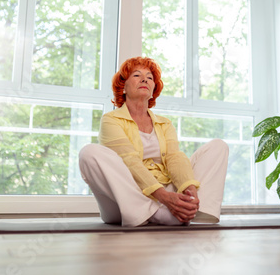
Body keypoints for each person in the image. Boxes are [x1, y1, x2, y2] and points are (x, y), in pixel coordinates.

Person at [79, 57, 229, 227]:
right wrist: (164, 197)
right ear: (123, 88)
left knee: (218, 146)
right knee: (89, 152)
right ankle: (155, 213)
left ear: (153, 90)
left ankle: (193, 208)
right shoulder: (110, 120)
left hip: (166, 191)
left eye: (149, 78)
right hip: (126, 198)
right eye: (137, 75)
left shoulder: (164, 123)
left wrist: (190, 191)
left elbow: (175, 158)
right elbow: (129, 161)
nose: (144, 79)